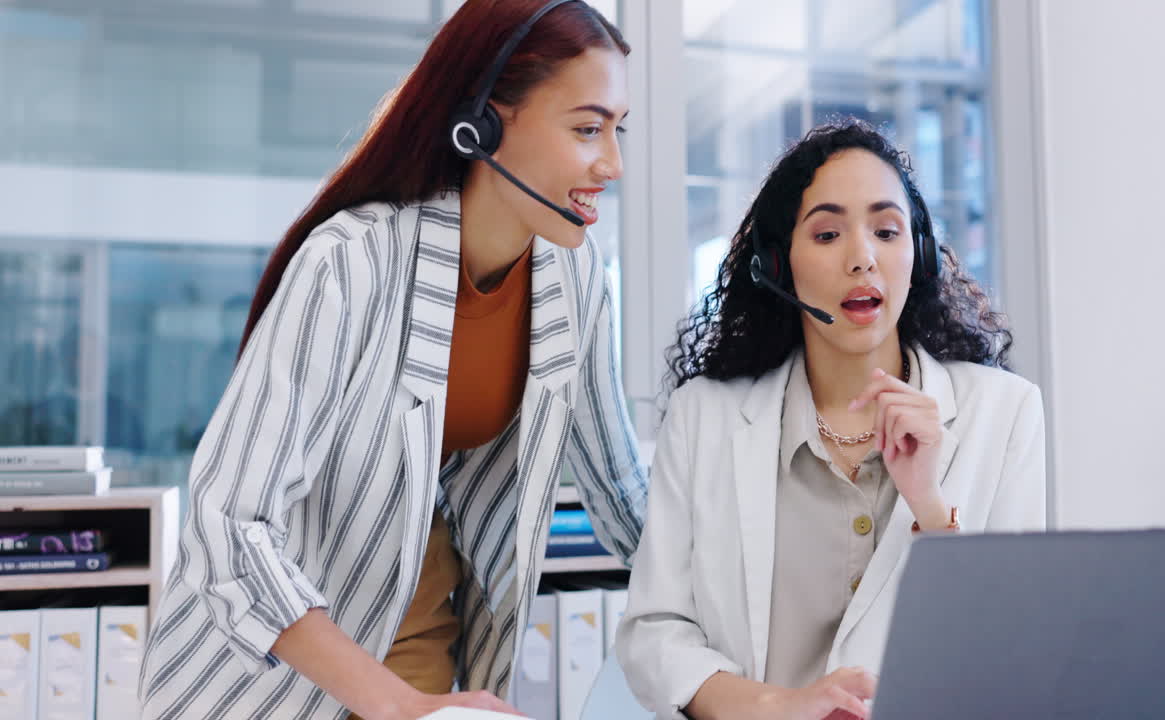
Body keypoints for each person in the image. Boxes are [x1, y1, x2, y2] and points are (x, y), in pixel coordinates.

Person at [139, 2, 646, 718]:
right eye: (588, 129)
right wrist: (395, 705)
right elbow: (228, 525)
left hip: (421, 648)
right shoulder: (350, 264)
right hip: (273, 675)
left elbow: (619, 488)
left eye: (619, 131)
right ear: (485, 123)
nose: (614, 164)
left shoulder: (575, 274)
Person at [616, 120, 1046, 720]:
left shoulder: (1005, 412)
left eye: (887, 230)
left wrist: (929, 503)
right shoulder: (704, 417)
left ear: (917, 254)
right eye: (827, 234)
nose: (862, 257)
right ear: (776, 265)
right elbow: (655, 633)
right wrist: (782, 706)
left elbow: (1013, 647)